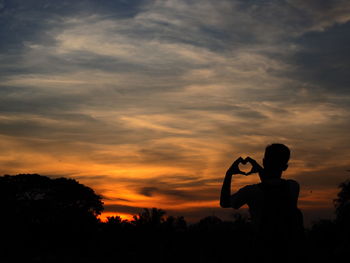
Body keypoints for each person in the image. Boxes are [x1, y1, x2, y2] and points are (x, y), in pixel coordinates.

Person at [220, 143, 304, 263]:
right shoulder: (293, 187)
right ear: (285, 167)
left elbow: (224, 202)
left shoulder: (251, 192)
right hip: (289, 252)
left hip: (261, 252)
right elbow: (272, 185)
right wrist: (259, 168)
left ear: (264, 162)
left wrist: (229, 174)